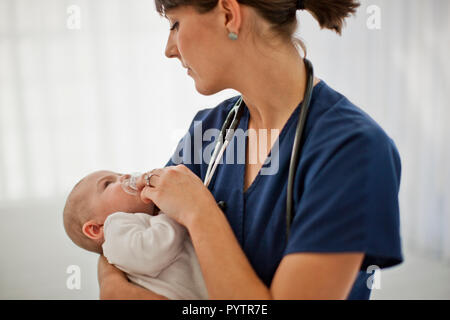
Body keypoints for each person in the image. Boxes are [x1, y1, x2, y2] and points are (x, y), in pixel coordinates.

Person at [98, 0, 403, 300]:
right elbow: (123, 225)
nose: (169, 49)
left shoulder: (353, 150)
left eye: (175, 24)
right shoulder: (209, 129)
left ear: (229, 14)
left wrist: (200, 213)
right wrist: (111, 284)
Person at [63, 170, 208, 300]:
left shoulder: (142, 222)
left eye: (119, 174)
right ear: (95, 229)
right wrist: (173, 210)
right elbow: (152, 251)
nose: (125, 176)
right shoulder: (115, 227)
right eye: (108, 183)